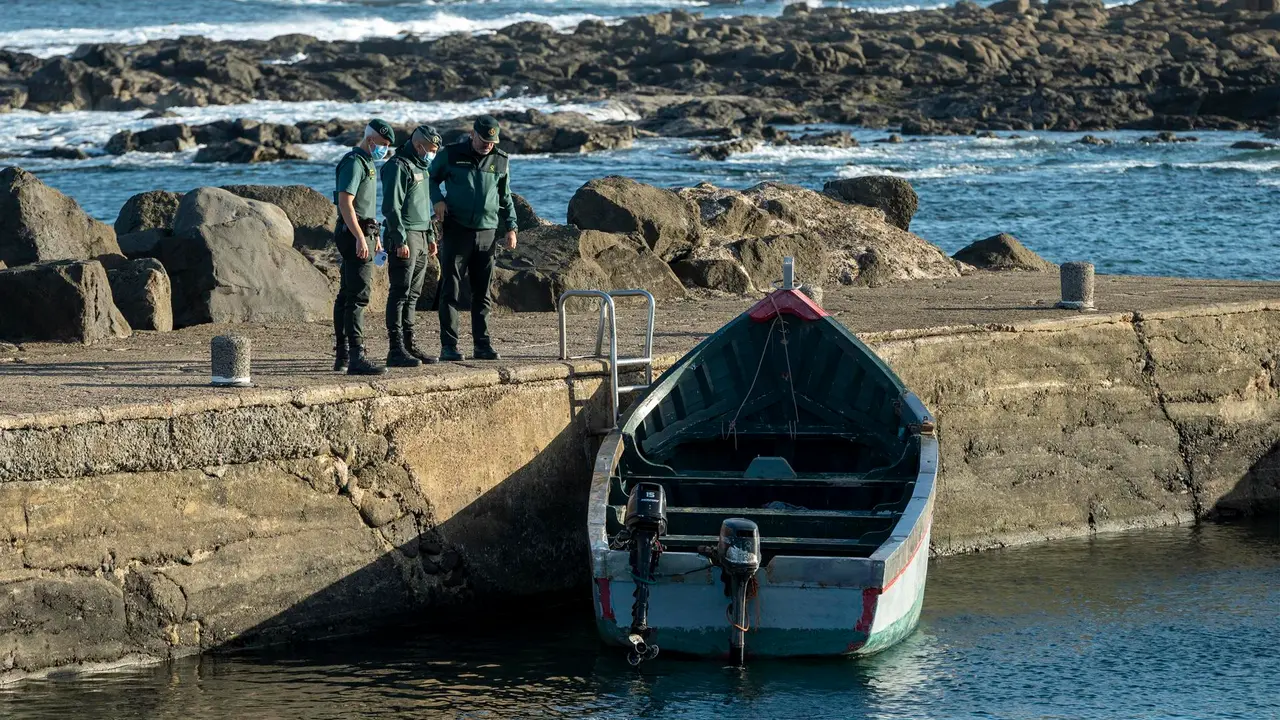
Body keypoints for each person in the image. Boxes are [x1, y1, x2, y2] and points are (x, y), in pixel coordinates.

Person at [427, 115, 517, 362]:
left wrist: (511, 228)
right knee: (451, 289)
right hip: (457, 230)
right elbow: (430, 178)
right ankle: (449, 346)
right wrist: (438, 200)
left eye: (492, 141)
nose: (488, 145)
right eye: (484, 140)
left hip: (487, 233)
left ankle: (482, 345)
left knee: (482, 292)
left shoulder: (500, 159)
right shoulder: (451, 154)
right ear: (473, 134)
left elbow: (505, 196)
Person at [332, 119, 395, 376]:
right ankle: (356, 355)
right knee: (357, 296)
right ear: (370, 140)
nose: (385, 149)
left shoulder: (367, 162)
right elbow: (345, 203)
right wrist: (359, 236)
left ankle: (343, 354)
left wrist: (374, 235)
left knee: (347, 293)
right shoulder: (354, 163)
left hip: (365, 231)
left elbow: (365, 206)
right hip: (353, 233)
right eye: (383, 144)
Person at [381, 124, 442, 367]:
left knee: (413, 294)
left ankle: (409, 343)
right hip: (404, 236)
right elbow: (391, 207)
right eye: (431, 149)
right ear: (419, 146)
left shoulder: (422, 167)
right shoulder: (398, 166)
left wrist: (430, 236)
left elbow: (423, 206)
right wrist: (399, 239)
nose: (433, 154)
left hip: (420, 234)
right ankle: (395, 348)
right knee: (399, 292)